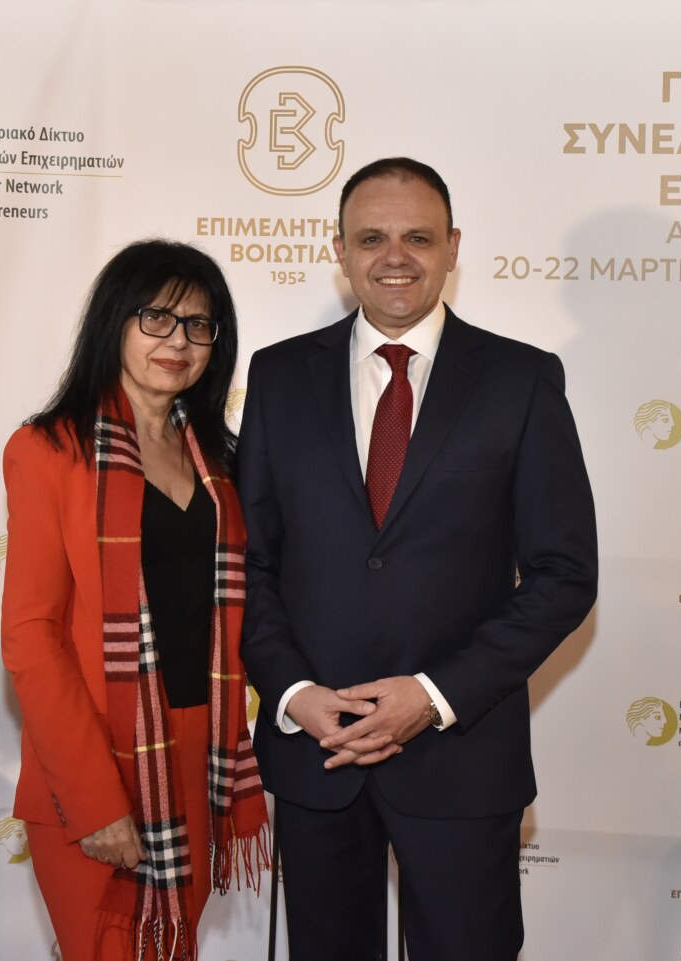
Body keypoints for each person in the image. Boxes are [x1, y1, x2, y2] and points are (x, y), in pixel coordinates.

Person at [238, 158, 598, 961]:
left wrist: (433, 696)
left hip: (460, 757)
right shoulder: (277, 375)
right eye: (371, 238)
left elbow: (564, 574)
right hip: (318, 752)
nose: (394, 256)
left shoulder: (521, 380)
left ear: (452, 248)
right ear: (339, 249)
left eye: (418, 238)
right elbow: (249, 563)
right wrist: (293, 692)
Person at [1, 240, 268, 961]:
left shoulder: (222, 462)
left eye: (198, 324)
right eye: (157, 317)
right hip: (97, 756)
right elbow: (31, 636)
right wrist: (94, 799)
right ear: (114, 321)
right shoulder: (49, 450)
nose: (178, 341)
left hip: (198, 752)